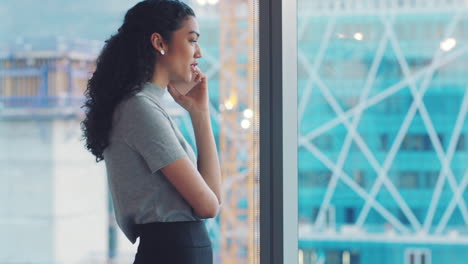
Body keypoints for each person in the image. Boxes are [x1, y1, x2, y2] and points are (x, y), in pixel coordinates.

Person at [80, 0, 222, 263]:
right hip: (173, 251)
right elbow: (208, 206)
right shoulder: (139, 108)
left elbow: (213, 196)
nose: (199, 53)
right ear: (159, 43)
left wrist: (199, 114)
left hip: (178, 249)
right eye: (192, 40)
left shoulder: (147, 105)